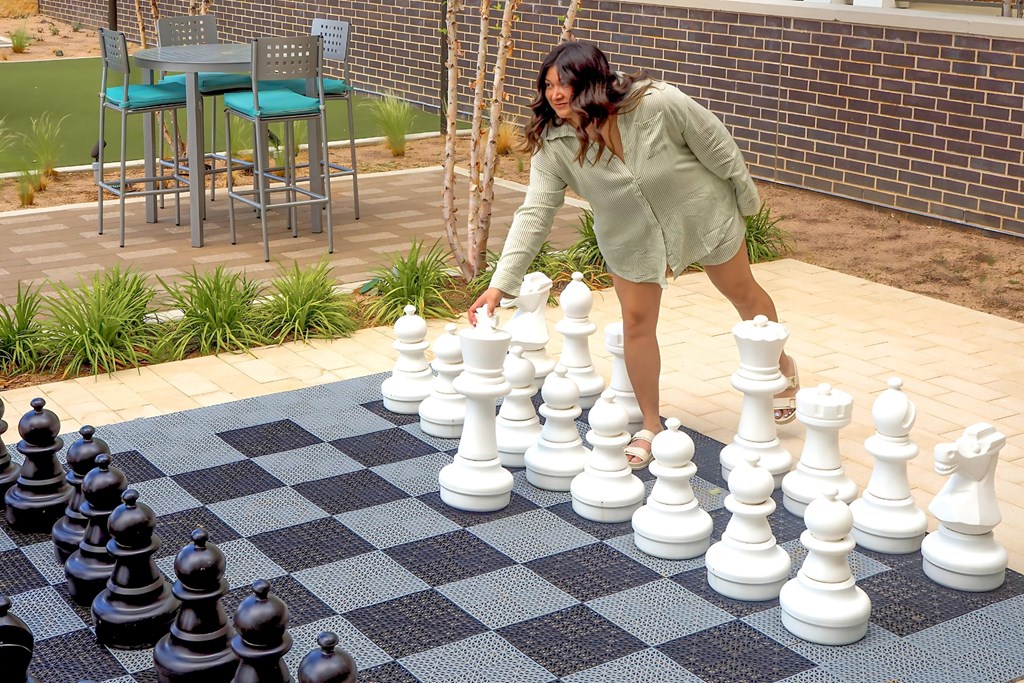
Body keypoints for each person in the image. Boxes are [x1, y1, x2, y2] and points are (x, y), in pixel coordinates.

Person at [468, 41, 799, 469]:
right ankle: (650, 425)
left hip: (702, 215)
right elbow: (534, 213)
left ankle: (781, 364)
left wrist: (747, 204)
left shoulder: (657, 103)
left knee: (743, 295)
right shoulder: (553, 142)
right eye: (548, 85)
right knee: (636, 324)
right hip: (630, 240)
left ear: (591, 80)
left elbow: (717, 145)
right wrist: (500, 286)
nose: (554, 94)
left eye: (564, 82)